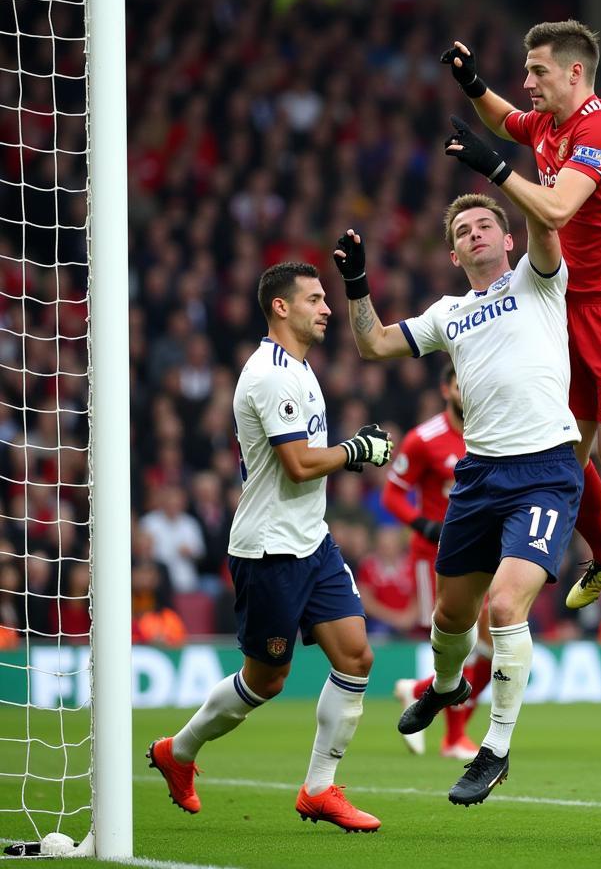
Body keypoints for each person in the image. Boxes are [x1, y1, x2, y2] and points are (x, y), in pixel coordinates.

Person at [439, 20, 601, 666]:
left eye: (537, 71)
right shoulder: (547, 123)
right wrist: (472, 84)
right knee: (560, 457)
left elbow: (553, 210)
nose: (527, 82)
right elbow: (504, 120)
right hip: (569, 308)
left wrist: (492, 171)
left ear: (575, 72)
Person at [334, 191, 583, 805]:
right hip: (478, 477)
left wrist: (501, 164)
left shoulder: (539, 280)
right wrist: (357, 282)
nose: (474, 233)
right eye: (463, 229)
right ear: (452, 252)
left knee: (504, 607)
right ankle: (446, 685)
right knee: (451, 618)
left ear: (508, 240)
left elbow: (549, 219)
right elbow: (373, 344)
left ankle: (494, 749)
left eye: (485, 226)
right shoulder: (449, 312)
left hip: (545, 470)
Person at [148, 261, 393, 832]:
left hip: (312, 541)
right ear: (281, 307)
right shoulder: (269, 374)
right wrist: (358, 450)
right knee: (267, 680)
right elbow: (300, 464)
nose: (326, 308)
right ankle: (177, 752)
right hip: (268, 552)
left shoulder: (302, 369)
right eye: (314, 299)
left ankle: (319, 789)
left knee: (356, 656)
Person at [381, 364, 494, 761]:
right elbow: (392, 495)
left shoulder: (491, 433)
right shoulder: (423, 439)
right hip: (436, 558)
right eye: (460, 385)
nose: (467, 392)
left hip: (484, 555)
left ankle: (418, 694)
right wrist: (423, 525)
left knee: (488, 649)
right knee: (460, 647)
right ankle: (452, 736)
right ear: (447, 389)